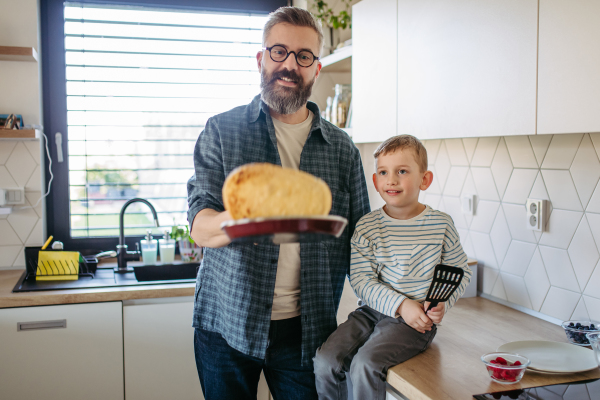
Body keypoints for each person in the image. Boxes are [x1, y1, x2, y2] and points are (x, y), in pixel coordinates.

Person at [186, 6, 370, 400]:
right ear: (261, 59)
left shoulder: (341, 150)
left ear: (316, 69)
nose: (290, 64)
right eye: (279, 51)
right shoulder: (222, 131)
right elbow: (199, 224)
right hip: (226, 325)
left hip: (306, 332)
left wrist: (402, 305)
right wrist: (240, 220)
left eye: (303, 56)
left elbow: (362, 246)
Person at [313, 135, 472, 400]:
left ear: (425, 179)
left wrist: (444, 302)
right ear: (375, 182)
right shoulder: (367, 226)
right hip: (370, 312)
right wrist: (400, 305)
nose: (392, 180)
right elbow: (363, 281)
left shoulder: (440, 225)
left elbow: (459, 270)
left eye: (402, 171)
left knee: (366, 365)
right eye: (383, 172)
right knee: (326, 360)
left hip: (414, 322)